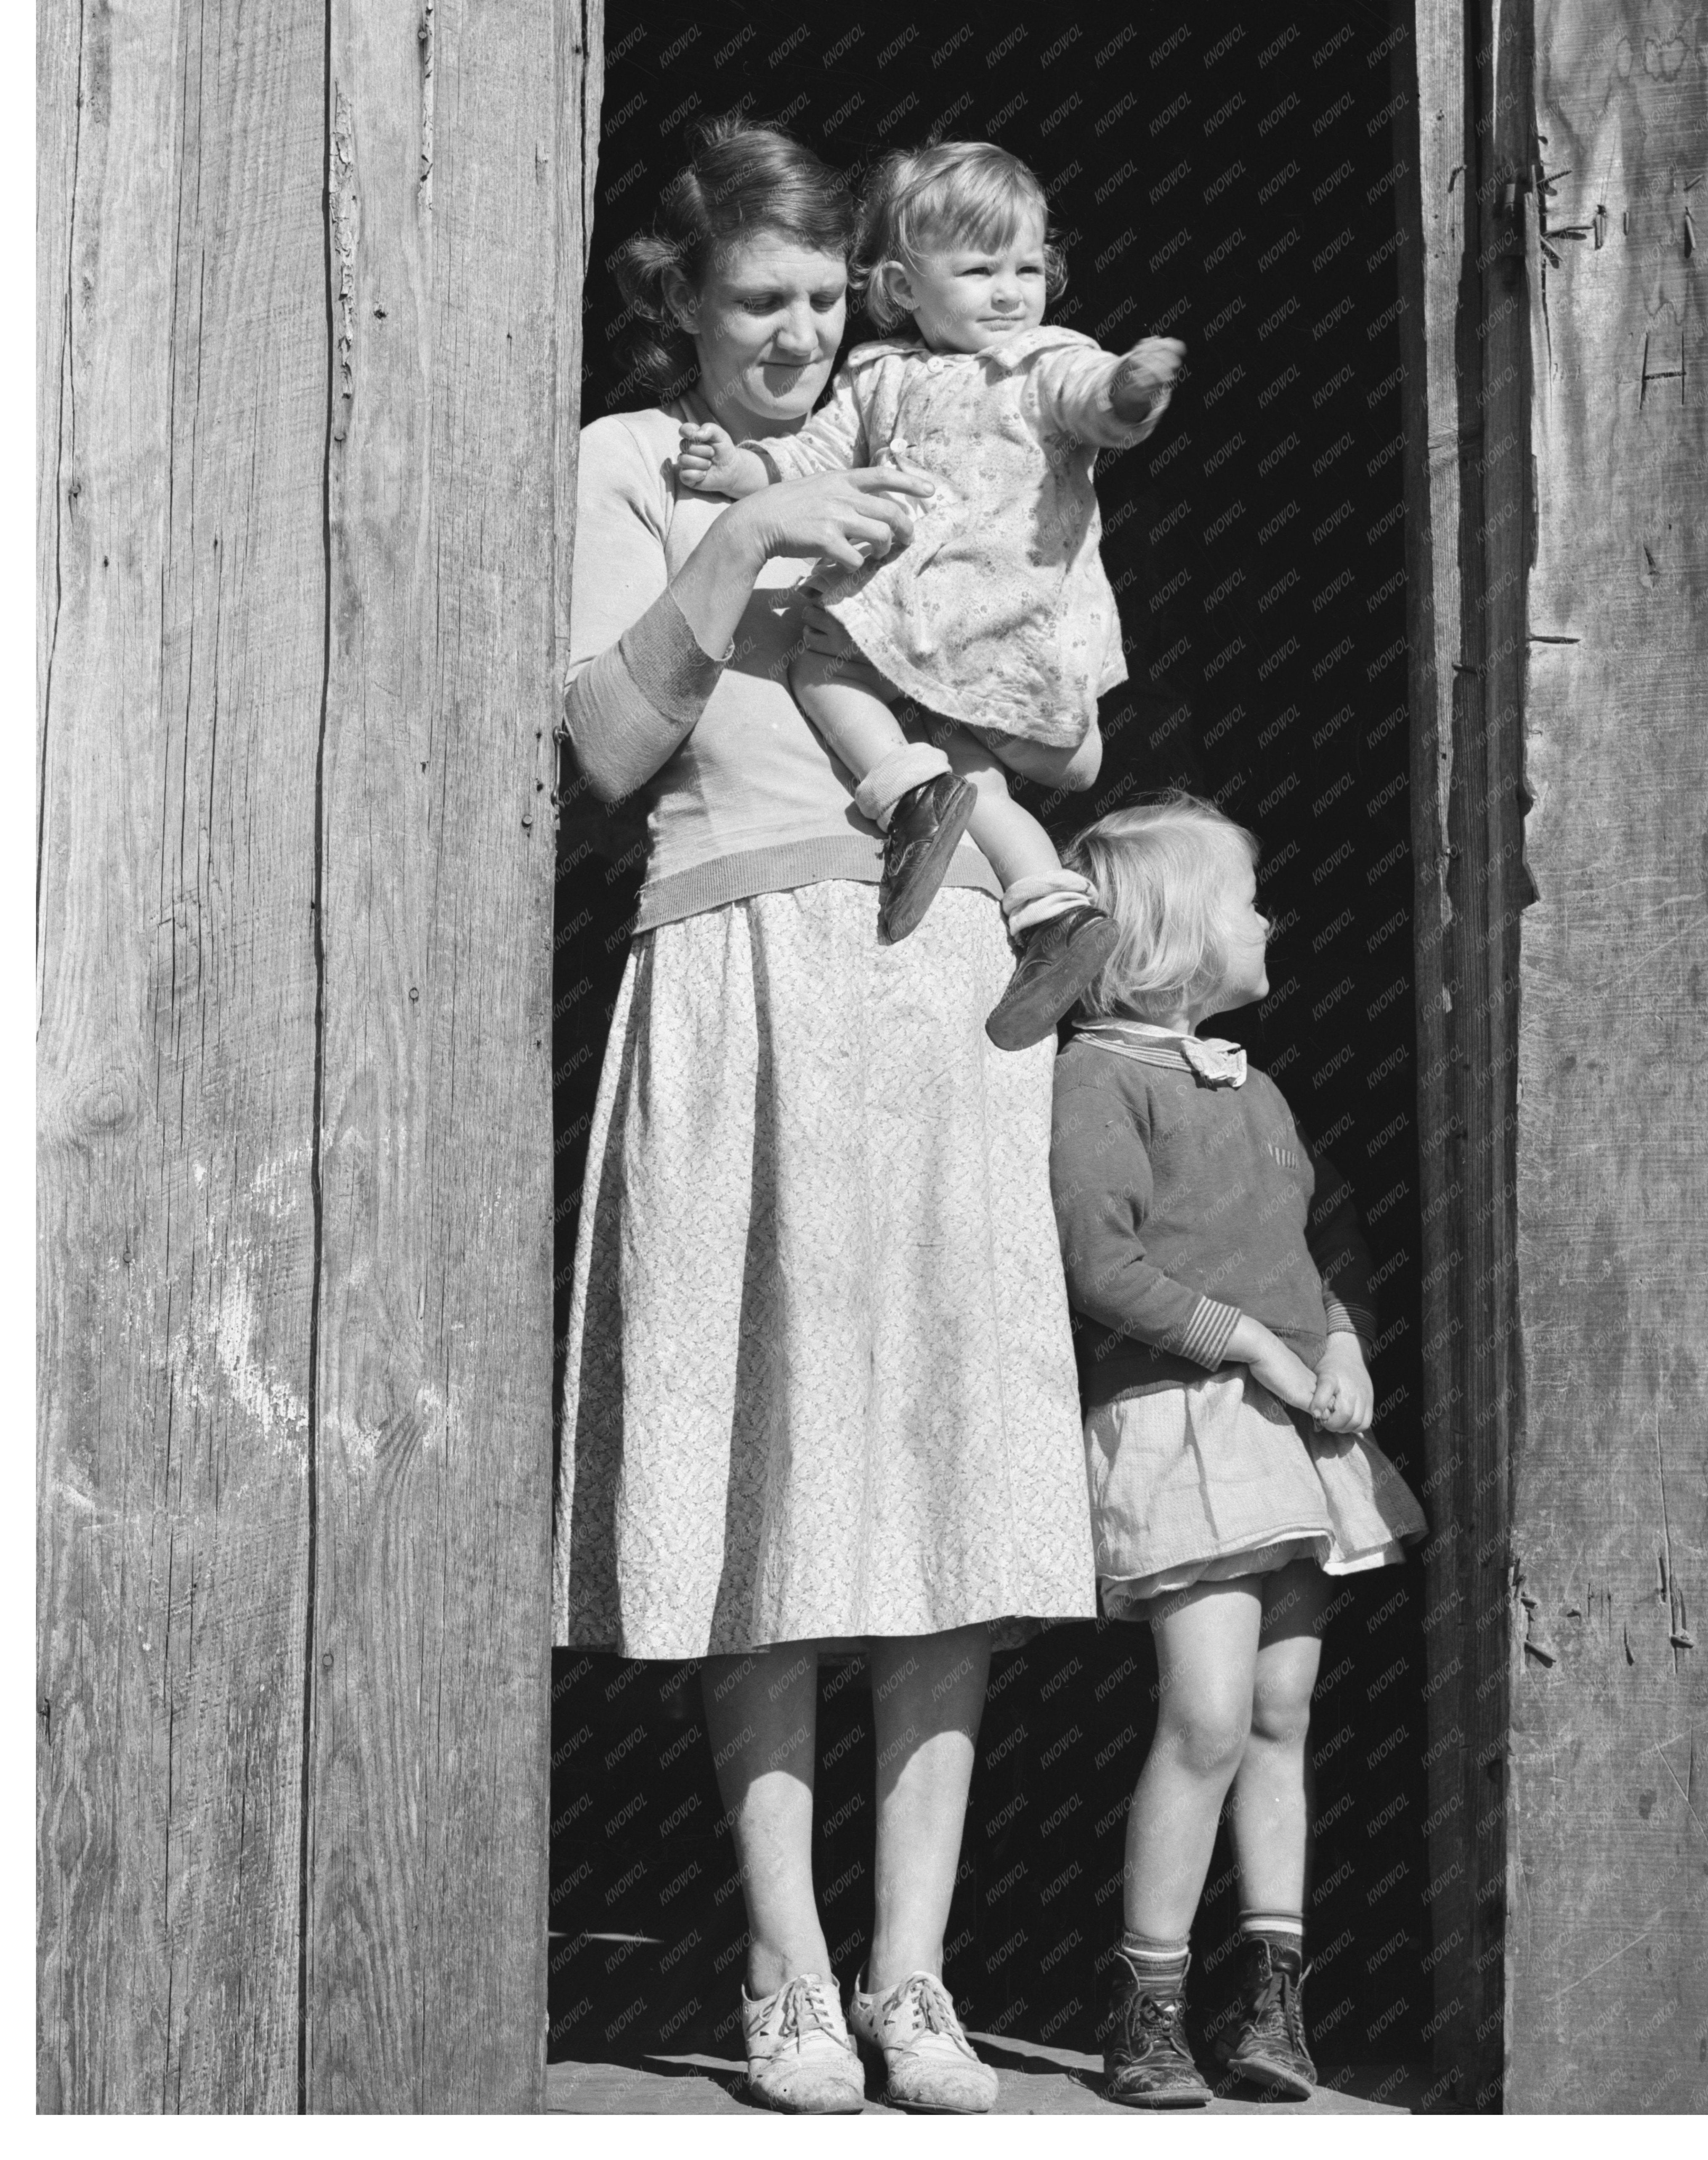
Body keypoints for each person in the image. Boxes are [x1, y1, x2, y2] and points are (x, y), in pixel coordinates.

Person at [551, 117, 1097, 2117]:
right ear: (679, 306)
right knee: (764, 1461)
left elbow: (1054, 690)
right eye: (750, 303)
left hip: (944, 967)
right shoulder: (630, 460)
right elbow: (608, 748)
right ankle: (781, 1965)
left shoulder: (912, 421)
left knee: (943, 1468)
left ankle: (914, 1977)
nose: (786, 338)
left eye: (810, 302)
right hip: (736, 961)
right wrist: (734, 542)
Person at [1047, 793, 1428, 2107]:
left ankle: (1270, 2001)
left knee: (1279, 1716)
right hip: (1182, 1423)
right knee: (1204, 1716)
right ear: (1178, 936)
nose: (1271, 920)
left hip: (1286, 1431)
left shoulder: (1254, 1085)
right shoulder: (1100, 1077)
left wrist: (1343, 1337)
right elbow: (1102, 1261)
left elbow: (1334, 1236)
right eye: (1249, 900)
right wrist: (1257, 1346)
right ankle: (1145, 2002)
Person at [677, 140, 1186, 1049]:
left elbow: (1093, 402)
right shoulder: (877, 378)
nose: (1010, 291)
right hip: (936, 628)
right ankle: (1051, 908)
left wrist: (1130, 393)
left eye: (1028, 268)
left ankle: (906, 798)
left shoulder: (1042, 361)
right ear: (907, 288)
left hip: (979, 620)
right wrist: (741, 466)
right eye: (981, 268)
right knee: (975, 774)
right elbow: (809, 461)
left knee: (820, 665)